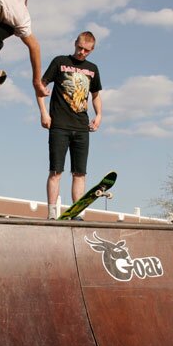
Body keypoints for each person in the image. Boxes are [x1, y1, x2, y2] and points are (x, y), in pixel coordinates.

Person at [37, 31, 102, 220]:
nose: (82, 52)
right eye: (80, 48)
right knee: (56, 171)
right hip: (59, 125)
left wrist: (99, 115)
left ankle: (78, 213)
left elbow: (96, 94)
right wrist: (43, 112)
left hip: (82, 127)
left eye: (87, 50)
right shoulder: (60, 62)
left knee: (79, 173)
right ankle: (51, 214)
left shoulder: (93, 69)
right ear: (75, 43)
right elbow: (40, 86)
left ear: (92, 50)